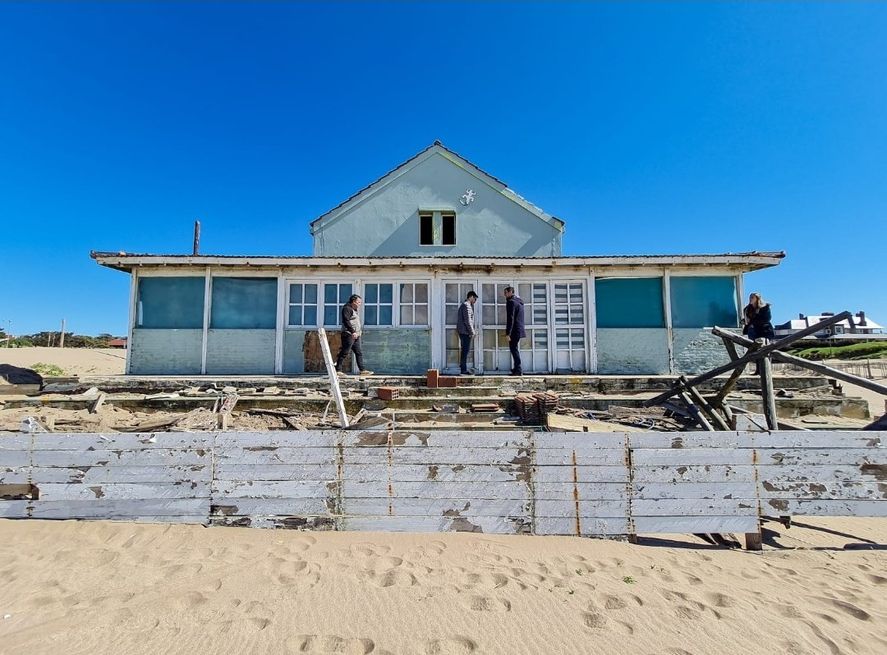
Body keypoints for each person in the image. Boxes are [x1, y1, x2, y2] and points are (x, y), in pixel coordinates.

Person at [335, 294, 373, 376]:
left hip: (356, 335)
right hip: (349, 334)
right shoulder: (347, 309)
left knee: (358, 352)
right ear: (353, 301)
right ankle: (338, 370)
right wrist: (352, 332)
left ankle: (362, 370)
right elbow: (346, 321)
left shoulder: (353, 309)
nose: (360, 304)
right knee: (345, 351)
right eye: (358, 302)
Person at [742, 292, 774, 375]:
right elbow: (747, 320)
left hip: (764, 330)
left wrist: (753, 321)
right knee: (755, 350)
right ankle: (758, 370)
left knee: (765, 349)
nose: (751, 299)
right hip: (753, 331)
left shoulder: (765, 307)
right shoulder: (747, 309)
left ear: (757, 298)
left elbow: (767, 318)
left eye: (753, 297)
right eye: (750, 297)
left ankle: (767, 370)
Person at [503, 286, 526, 376]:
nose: (504, 295)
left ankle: (518, 369)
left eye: (506, 293)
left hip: (514, 330)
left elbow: (510, 318)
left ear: (511, 292)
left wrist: (508, 333)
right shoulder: (519, 301)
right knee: (514, 348)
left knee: (514, 349)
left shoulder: (511, 302)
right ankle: (516, 368)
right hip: (519, 329)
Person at [456, 291, 478, 375]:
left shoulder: (465, 305)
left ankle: (463, 369)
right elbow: (468, 320)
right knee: (465, 350)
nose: (475, 301)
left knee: (465, 350)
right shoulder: (467, 305)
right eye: (475, 299)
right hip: (465, 332)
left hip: (463, 331)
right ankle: (463, 370)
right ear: (471, 297)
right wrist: (472, 332)